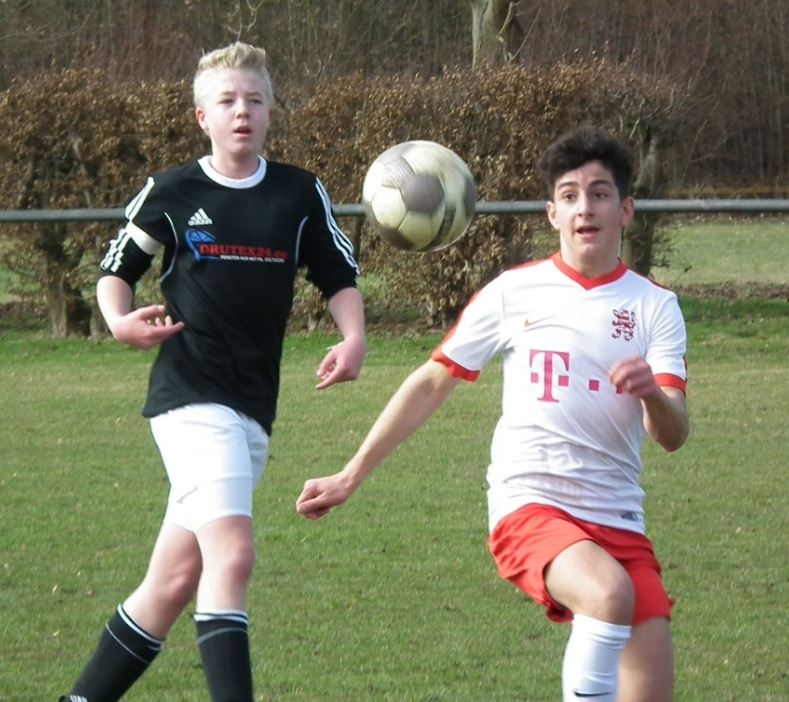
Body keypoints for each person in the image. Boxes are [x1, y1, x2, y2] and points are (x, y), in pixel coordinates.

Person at [296, 125, 689, 702]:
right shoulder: (513, 292)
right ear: (552, 214)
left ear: (625, 210)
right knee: (608, 595)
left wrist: (651, 392)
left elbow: (673, 433)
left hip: (619, 517)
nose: (586, 207)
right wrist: (349, 475)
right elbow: (431, 382)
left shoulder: (655, 306)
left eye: (600, 193)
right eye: (570, 195)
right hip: (531, 503)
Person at [59, 41, 365, 702]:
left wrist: (354, 336)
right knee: (233, 554)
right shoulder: (173, 190)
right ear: (203, 116)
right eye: (227, 101)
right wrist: (117, 320)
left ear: (271, 111)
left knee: (170, 585)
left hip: (252, 405)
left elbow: (337, 275)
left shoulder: (298, 192)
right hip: (190, 395)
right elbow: (116, 270)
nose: (242, 111)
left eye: (254, 100)